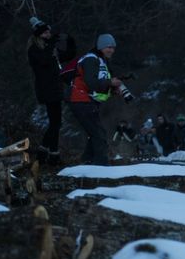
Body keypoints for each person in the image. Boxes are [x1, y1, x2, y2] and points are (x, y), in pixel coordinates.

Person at [67, 33, 125, 166]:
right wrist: (110, 82)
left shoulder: (101, 60)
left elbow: (99, 84)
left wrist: (113, 89)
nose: (111, 50)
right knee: (99, 133)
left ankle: (87, 163)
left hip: (88, 101)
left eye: (113, 47)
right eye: (108, 47)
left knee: (95, 133)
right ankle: (101, 166)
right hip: (80, 99)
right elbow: (91, 83)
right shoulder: (91, 59)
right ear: (100, 47)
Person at [26, 17, 70, 164]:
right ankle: (46, 152)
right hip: (47, 89)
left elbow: (66, 56)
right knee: (55, 123)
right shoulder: (34, 50)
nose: (48, 35)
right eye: (46, 33)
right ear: (39, 34)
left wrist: (67, 41)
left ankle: (50, 154)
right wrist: (52, 44)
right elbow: (44, 61)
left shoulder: (49, 48)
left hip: (55, 88)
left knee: (55, 122)